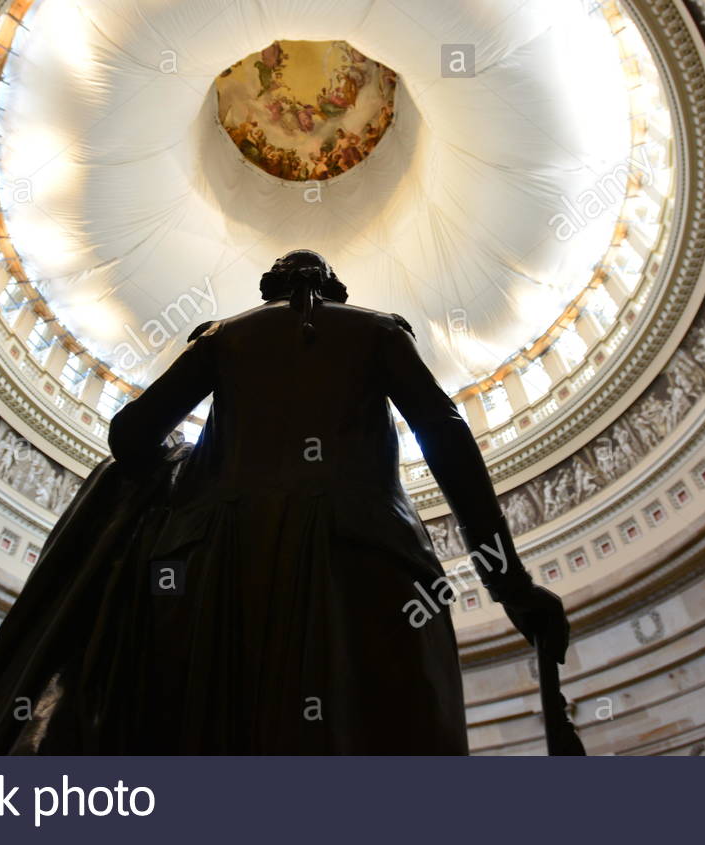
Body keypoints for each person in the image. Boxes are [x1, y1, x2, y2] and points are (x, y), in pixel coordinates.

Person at [105, 249, 569, 753]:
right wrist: (510, 585)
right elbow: (445, 435)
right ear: (335, 286)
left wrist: (188, 465)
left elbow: (130, 437)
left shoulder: (220, 338)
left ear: (269, 285)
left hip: (224, 560)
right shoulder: (379, 331)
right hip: (369, 553)